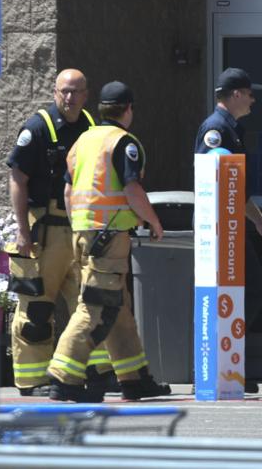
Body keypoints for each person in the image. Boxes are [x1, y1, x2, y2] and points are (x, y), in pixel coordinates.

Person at [47, 81, 172, 402]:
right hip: (109, 236)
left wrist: (80, 227)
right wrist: (153, 220)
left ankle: (134, 378)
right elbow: (132, 189)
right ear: (128, 109)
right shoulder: (122, 142)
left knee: (118, 307)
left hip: (84, 235)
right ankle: (63, 377)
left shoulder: (83, 141)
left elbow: (68, 190)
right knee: (97, 307)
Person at [5, 68, 111, 396]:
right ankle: (33, 380)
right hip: (44, 234)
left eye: (76, 91)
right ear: (54, 92)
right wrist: (23, 232)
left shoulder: (92, 127)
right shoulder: (37, 128)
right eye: (64, 90)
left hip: (80, 230)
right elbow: (17, 179)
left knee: (92, 305)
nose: (69, 97)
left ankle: (96, 372)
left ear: (86, 95)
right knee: (36, 310)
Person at [194, 67, 262, 394]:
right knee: (249, 289)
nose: (253, 100)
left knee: (245, 291)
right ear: (236, 94)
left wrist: (259, 222)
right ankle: (222, 362)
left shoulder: (231, 128)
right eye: (250, 94)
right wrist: (257, 222)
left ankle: (229, 362)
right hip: (219, 228)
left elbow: (237, 190)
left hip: (230, 225)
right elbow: (214, 180)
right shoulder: (216, 130)